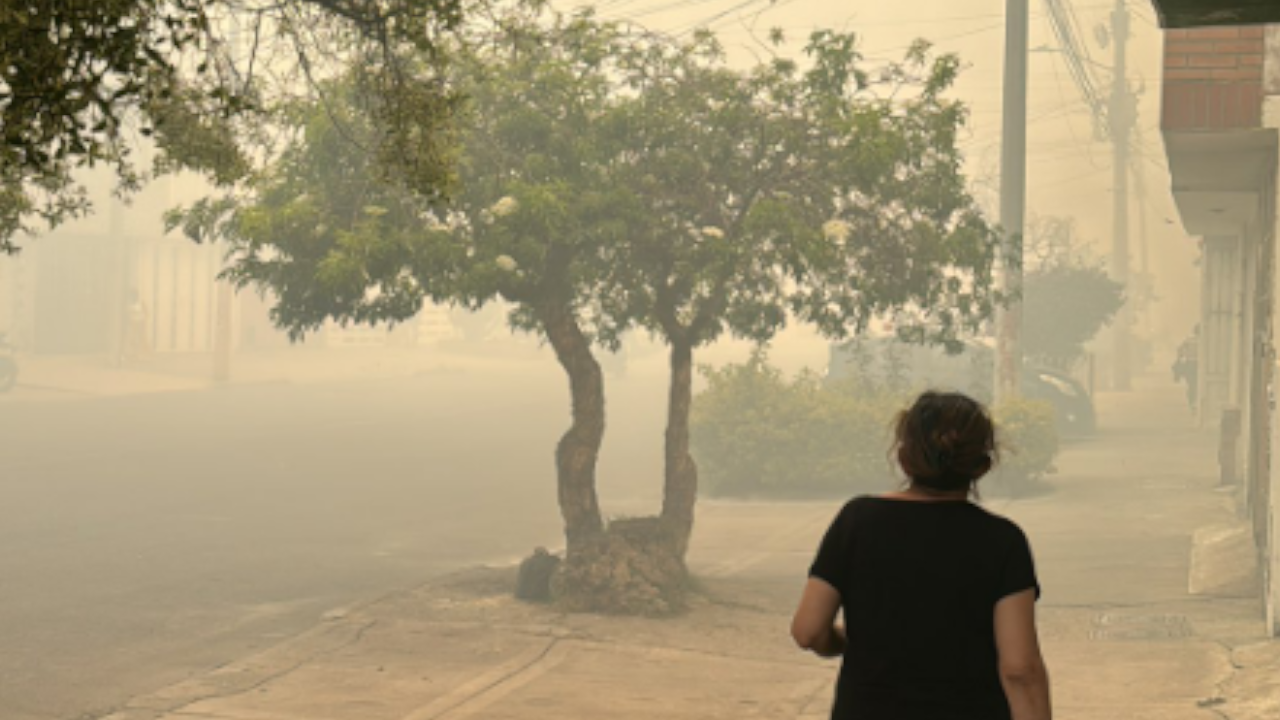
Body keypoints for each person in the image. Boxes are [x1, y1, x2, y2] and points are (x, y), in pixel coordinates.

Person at [792, 391, 1051, 720]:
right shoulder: (1002, 541)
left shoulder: (858, 521)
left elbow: (808, 630)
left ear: (903, 458)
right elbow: (1020, 669)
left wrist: (847, 640)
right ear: (982, 467)